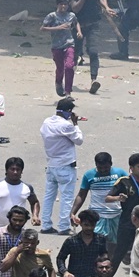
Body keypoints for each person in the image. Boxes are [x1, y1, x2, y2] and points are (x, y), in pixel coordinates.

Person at [40, 98, 84, 235]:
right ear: (69, 112)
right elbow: (79, 140)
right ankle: (64, 226)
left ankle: (46, 224)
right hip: (65, 165)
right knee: (66, 197)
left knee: (49, 196)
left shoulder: (47, 122)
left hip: (51, 164)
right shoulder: (66, 126)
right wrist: (75, 124)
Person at [71, 152, 126, 248]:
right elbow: (81, 194)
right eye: (100, 168)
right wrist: (73, 213)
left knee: (114, 244)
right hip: (96, 217)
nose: (103, 170)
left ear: (111, 163)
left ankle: (111, 262)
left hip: (116, 215)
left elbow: (130, 188)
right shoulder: (89, 175)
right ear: (96, 164)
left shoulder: (120, 174)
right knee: (95, 244)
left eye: (106, 168)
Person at [41, 0, 83, 97]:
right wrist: (58, 28)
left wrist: (79, 32)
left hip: (69, 44)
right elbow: (42, 28)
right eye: (61, 4)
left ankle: (68, 92)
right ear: (57, 5)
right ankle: (58, 82)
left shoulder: (71, 15)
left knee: (69, 66)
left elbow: (76, 22)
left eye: (65, 4)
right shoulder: (52, 16)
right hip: (56, 45)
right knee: (60, 68)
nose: (63, 6)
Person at [56, 210, 108, 277]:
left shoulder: (101, 240)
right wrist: (64, 272)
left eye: (92, 225)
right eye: (86, 225)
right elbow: (60, 258)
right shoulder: (71, 241)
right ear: (80, 223)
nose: (89, 228)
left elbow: (104, 256)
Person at [0, 158, 43, 228]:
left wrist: (35, 216)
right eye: (12, 169)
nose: (15, 172)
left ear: (22, 171)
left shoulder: (27, 187)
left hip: (18, 229)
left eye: (18, 170)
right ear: (6, 170)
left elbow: (34, 202)